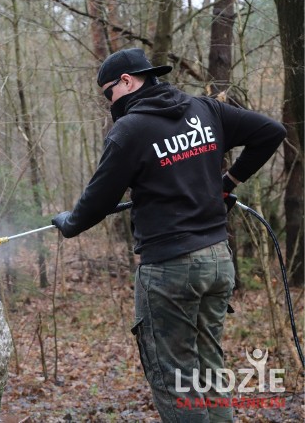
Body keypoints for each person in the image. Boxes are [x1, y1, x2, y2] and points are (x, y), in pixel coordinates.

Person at [51, 48, 286, 422]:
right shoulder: (205, 110)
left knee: (174, 378)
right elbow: (271, 132)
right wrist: (229, 181)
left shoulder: (129, 131)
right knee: (209, 367)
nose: (108, 101)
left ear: (127, 82)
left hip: (169, 270)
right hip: (217, 262)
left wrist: (69, 222)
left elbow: (97, 202)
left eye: (107, 92)